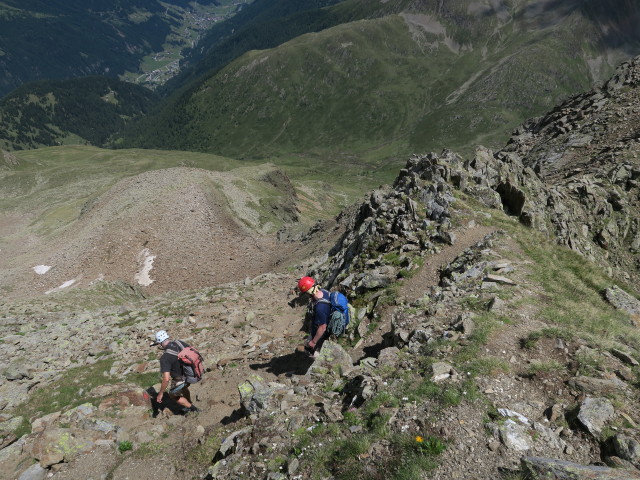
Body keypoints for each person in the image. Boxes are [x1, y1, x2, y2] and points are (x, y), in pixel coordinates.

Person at [152, 330, 199, 414]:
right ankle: (188, 402)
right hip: (191, 373)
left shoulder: (165, 358)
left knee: (172, 394)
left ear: (159, 343)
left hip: (180, 378)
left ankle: (193, 409)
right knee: (183, 387)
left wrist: (161, 393)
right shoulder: (179, 343)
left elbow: (166, 379)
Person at [297, 276, 330, 357]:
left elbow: (322, 327)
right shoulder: (324, 292)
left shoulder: (320, 307)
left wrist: (313, 342)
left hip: (321, 333)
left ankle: (316, 360)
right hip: (319, 327)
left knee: (314, 353)